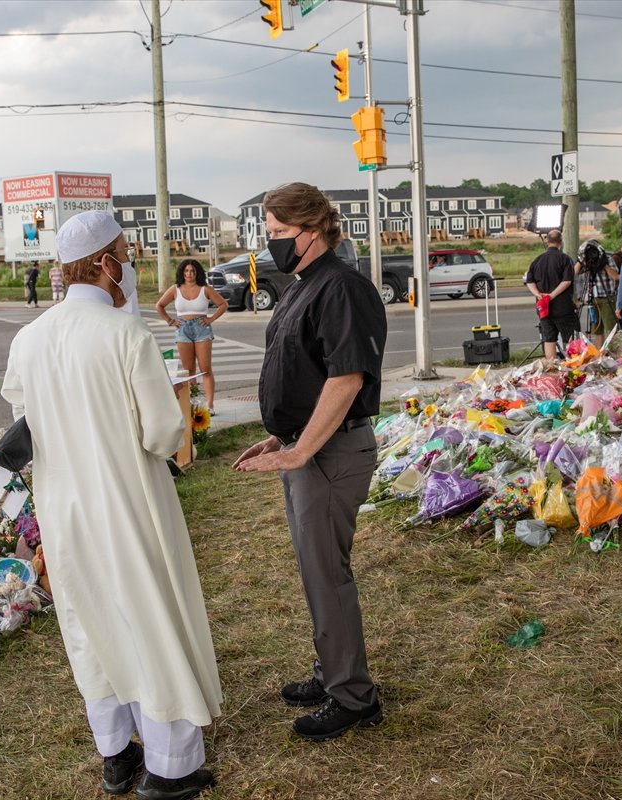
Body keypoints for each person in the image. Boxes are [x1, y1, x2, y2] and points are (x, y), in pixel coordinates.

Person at [1, 210, 221, 800]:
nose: (130, 265)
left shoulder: (29, 337)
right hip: (126, 500)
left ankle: (116, 754)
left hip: (62, 505)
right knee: (149, 619)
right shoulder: (127, 335)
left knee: (89, 623)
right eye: (126, 254)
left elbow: (20, 416)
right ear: (105, 263)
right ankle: (170, 767)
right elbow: (160, 433)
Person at [232, 182, 387, 742]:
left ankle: (353, 696)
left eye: (277, 233)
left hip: (330, 453)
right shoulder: (305, 283)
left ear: (312, 229)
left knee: (327, 575)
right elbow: (308, 374)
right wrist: (281, 442)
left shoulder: (342, 287)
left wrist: (301, 448)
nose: (270, 243)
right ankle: (333, 672)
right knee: (316, 572)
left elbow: (346, 380)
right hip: (307, 449)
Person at [155, 259, 228, 414]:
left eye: (193, 271)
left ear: (197, 273)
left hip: (202, 329)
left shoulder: (205, 288)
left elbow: (223, 304)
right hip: (183, 329)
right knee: (189, 371)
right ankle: (194, 404)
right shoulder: (175, 289)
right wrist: (170, 321)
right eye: (187, 271)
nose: (189, 274)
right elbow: (159, 305)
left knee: (205, 369)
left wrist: (210, 319)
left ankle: (210, 405)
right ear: (182, 272)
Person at [524, 229, 577, 361]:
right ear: (561, 241)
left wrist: (538, 294)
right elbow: (567, 281)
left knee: (549, 339)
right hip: (563, 307)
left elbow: (529, 281)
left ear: (547, 241)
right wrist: (552, 295)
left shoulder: (537, 260)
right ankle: (573, 368)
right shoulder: (565, 259)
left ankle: (552, 368)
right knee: (571, 339)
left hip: (544, 308)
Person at [574, 238, 619, 346]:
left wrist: (603, 264)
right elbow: (575, 272)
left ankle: (613, 351)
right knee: (597, 330)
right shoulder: (588, 261)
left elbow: (615, 277)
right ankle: (600, 353)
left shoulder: (608, 259)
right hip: (593, 298)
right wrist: (582, 259)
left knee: (611, 329)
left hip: (607, 298)